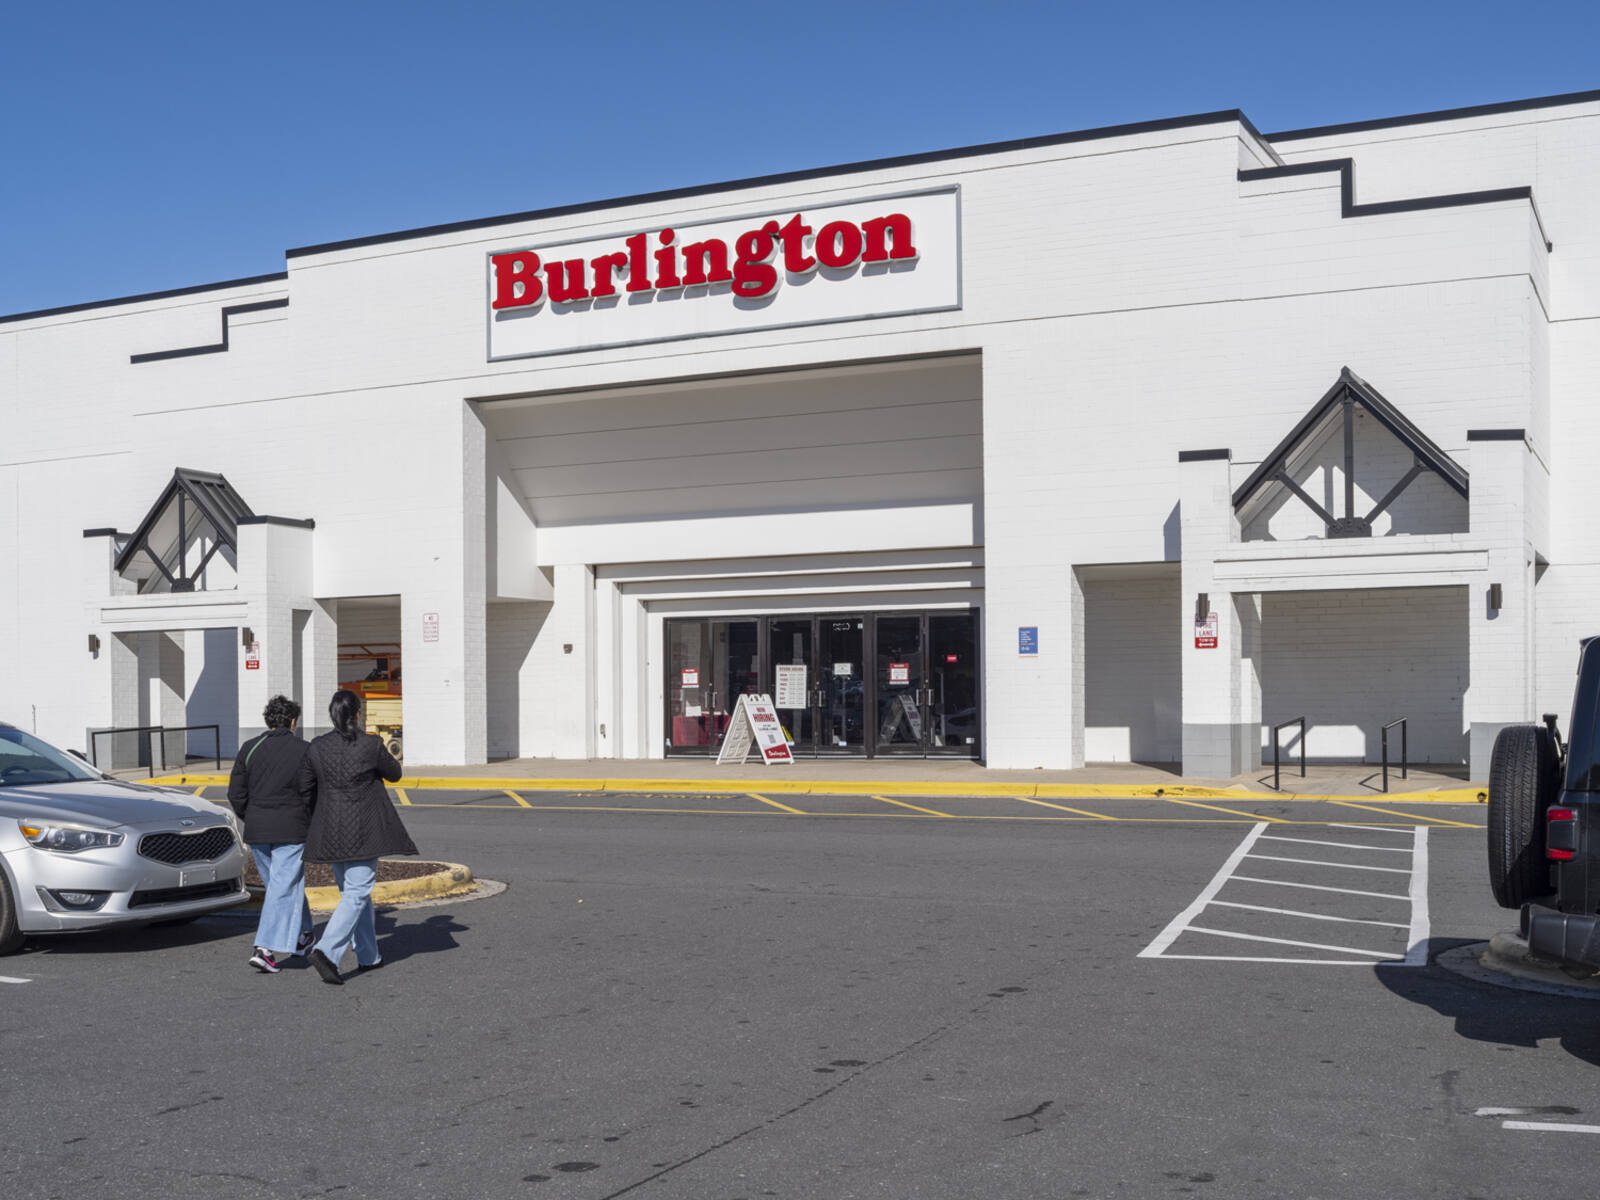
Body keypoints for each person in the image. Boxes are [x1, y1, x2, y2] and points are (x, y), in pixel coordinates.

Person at [300, 688, 415, 985]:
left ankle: (368, 955)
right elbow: (396, 774)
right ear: (357, 715)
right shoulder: (371, 744)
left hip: (331, 831)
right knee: (357, 892)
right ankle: (326, 951)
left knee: (355, 895)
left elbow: (305, 789)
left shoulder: (316, 747)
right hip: (363, 828)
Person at [228, 695, 315, 974]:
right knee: (283, 886)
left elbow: (236, 794)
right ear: (293, 721)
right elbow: (311, 792)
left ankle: (303, 936)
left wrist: (251, 816)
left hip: (258, 829)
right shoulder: (305, 750)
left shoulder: (249, 748)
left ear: (268, 720)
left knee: (281, 886)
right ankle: (264, 948)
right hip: (293, 828)